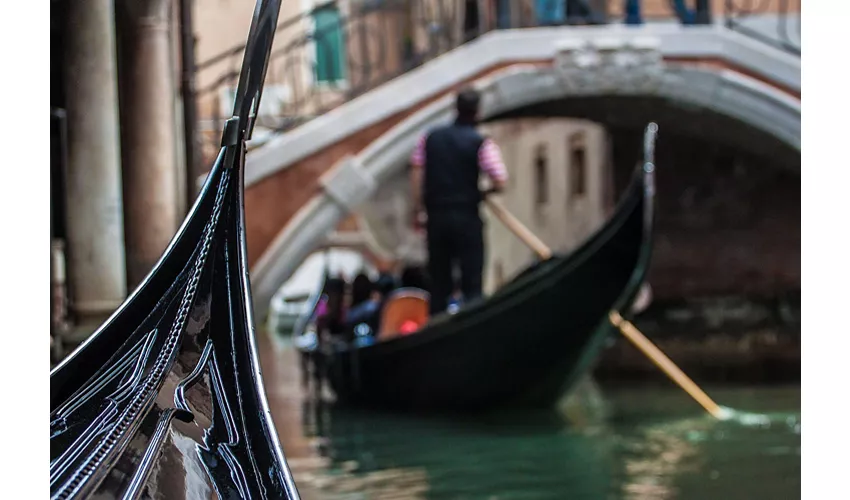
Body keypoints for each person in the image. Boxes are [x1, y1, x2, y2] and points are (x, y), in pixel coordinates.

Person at [409, 87, 509, 315]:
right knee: (472, 284)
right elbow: (500, 180)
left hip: (436, 218)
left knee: (439, 283)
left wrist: (418, 209)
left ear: (455, 109)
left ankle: (436, 328)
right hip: (466, 217)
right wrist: (485, 192)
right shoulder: (481, 143)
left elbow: (417, 172)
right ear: (478, 112)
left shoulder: (430, 138)